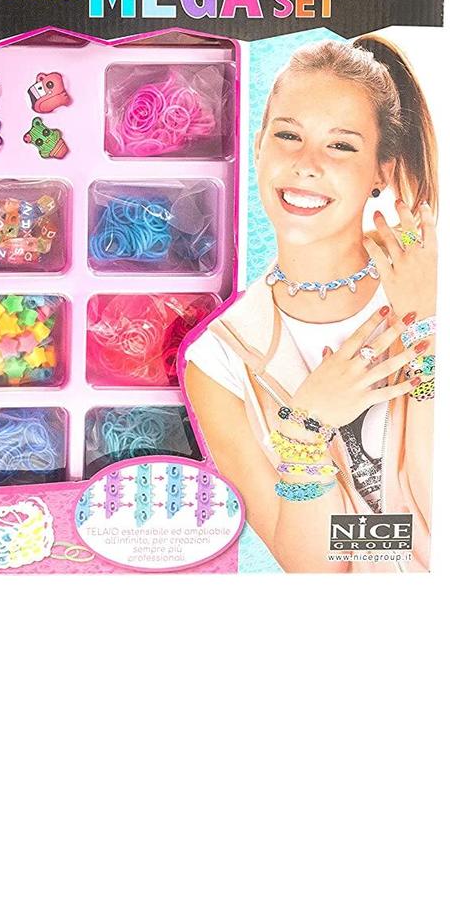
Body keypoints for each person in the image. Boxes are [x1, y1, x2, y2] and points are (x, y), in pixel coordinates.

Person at [184, 36, 435, 571]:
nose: (306, 164)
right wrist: (306, 429)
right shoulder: (221, 358)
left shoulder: (431, 284)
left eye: (341, 145)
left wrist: (428, 330)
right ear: (258, 146)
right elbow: (315, 570)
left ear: (381, 170)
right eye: (288, 135)